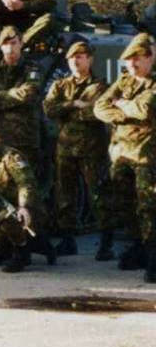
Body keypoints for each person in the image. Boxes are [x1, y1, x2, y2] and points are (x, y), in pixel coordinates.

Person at [93, 34, 156, 282]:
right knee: (124, 203)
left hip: (147, 155)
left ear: (149, 59)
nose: (132, 64)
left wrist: (120, 104)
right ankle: (137, 247)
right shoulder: (124, 81)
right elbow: (99, 107)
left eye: (137, 59)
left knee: (148, 205)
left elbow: (145, 109)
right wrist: (123, 110)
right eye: (129, 60)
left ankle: (153, 254)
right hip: (121, 155)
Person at [43, 41, 111, 258]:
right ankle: (67, 240)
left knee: (98, 195)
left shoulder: (100, 86)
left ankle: (106, 244)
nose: (75, 61)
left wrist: (66, 111)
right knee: (65, 196)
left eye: (80, 57)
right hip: (66, 149)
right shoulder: (60, 85)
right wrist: (73, 104)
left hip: (92, 149)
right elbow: (48, 109)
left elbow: (96, 112)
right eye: (72, 57)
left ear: (90, 59)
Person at [0, 121, 56, 273]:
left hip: (30, 210)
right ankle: (38, 243)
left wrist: (24, 207)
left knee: (10, 217)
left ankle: (22, 253)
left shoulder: (11, 157)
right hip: (7, 212)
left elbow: (26, 183)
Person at [0, 27, 44, 192]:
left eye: (14, 43)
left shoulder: (32, 68)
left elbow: (29, 93)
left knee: (28, 188)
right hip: (0, 138)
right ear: (0, 46)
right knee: (3, 187)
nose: (10, 48)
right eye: (6, 44)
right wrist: (14, 94)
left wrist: (0, 95)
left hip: (26, 137)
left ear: (21, 43)